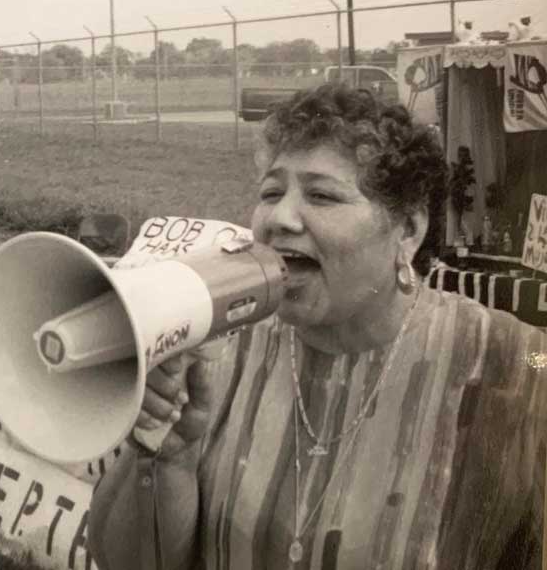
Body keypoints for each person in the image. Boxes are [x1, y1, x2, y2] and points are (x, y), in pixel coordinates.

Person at [88, 81, 546, 570]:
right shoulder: (219, 346)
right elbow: (128, 561)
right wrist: (166, 457)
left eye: (322, 196)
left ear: (409, 230)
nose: (278, 218)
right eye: (270, 192)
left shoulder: (520, 359)